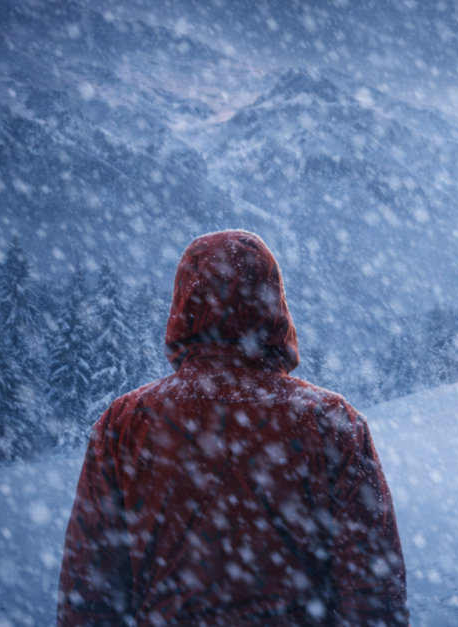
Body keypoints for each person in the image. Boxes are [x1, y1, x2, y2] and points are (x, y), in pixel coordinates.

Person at [57, 230, 408, 627]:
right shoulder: (331, 421)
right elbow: (373, 595)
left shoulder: (124, 423)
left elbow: (89, 596)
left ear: (183, 304)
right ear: (275, 303)